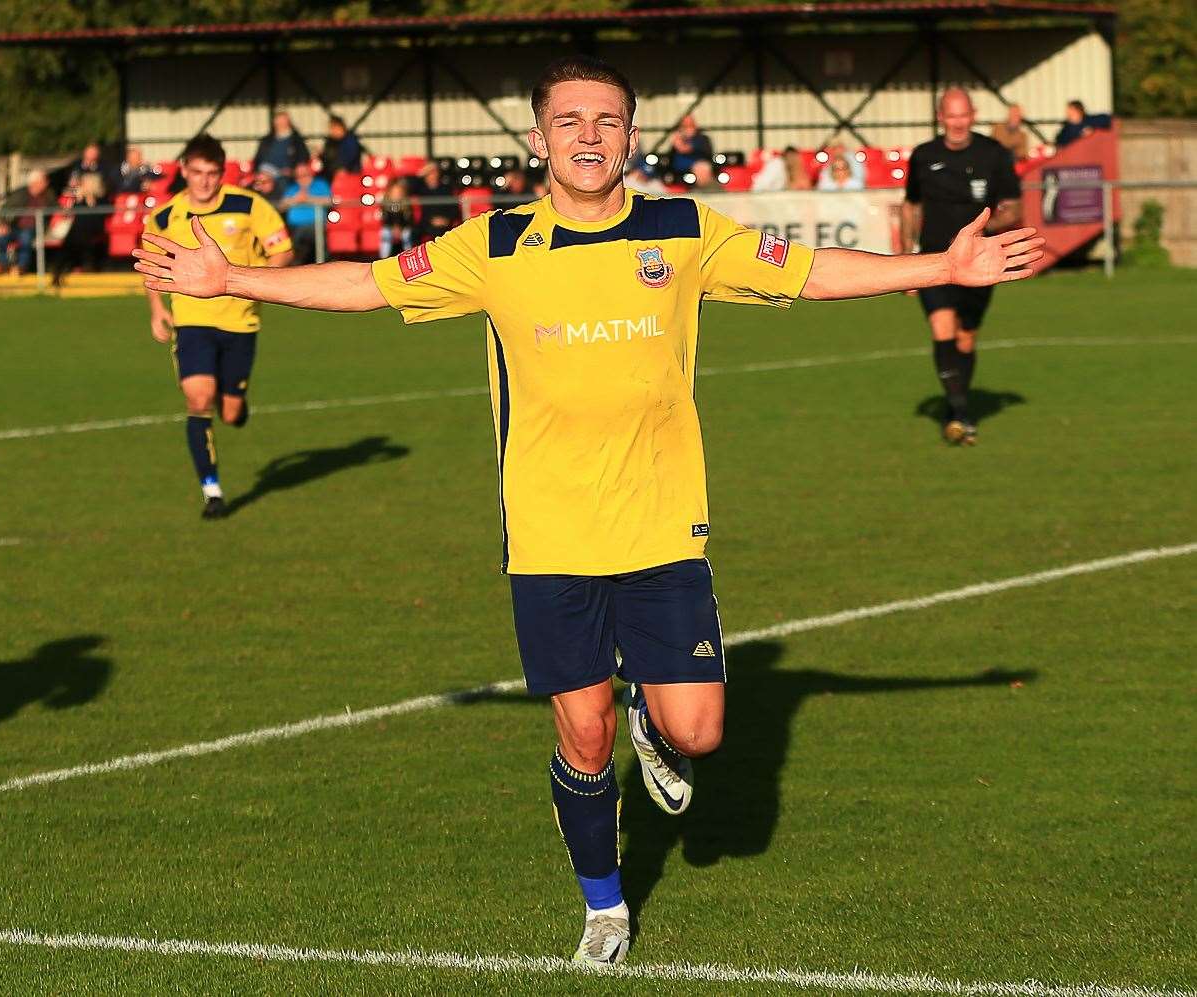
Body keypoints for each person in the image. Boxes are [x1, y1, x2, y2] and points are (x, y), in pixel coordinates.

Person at [134, 57, 1042, 962]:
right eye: (568, 121)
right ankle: (604, 906)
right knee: (582, 729)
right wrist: (234, 282)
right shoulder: (492, 245)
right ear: (538, 140)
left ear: (631, 136)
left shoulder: (681, 229)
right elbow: (367, 283)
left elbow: (810, 273)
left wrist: (943, 263)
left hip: (659, 522)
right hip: (550, 533)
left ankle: (656, 715)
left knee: (701, 727)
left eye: (606, 120)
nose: (588, 137)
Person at [139, 133, 294, 518]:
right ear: (185, 172)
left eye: (213, 173)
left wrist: (260, 284)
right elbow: (152, 267)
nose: (205, 181)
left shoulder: (248, 205)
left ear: (222, 173)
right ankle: (212, 491)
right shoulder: (164, 218)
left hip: (241, 322)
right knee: (198, 398)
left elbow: (282, 250)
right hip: (192, 320)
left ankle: (236, 404)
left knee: (230, 413)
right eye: (198, 173)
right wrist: (157, 309)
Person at [901, 88, 1024, 445]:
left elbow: (1014, 206)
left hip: (979, 263)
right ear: (941, 117)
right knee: (942, 327)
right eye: (951, 116)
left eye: (963, 115)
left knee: (966, 337)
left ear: (974, 114)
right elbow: (910, 206)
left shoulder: (993, 154)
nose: (957, 122)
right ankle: (960, 414)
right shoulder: (924, 156)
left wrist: (992, 230)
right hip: (934, 260)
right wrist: (905, 256)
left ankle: (958, 406)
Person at [0, 169, 55, 275]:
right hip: (15, 226)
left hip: (35, 228)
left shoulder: (48, 195)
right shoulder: (20, 193)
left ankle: (21, 267)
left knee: (25, 237)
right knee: (1, 237)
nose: (46, 183)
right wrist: (3, 224)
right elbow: (5, 209)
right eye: (43, 181)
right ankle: (3, 264)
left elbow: (56, 208)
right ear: (34, 183)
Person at [52, 172, 108, 285]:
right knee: (71, 241)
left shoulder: (102, 200)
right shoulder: (79, 201)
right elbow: (74, 214)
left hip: (94, 229)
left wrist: (90, 200)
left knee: (77, 239)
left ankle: (77, 267)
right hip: (78, 232)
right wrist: (79, 199)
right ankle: (57, 274)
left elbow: (98, 217)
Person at [280, 160, 332, 264]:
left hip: (317, 225)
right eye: (299, 176)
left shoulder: (320, 184)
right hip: (295, 227)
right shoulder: (292, 188)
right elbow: (281, 206)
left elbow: (329, 201)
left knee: (309, 235)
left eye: (304, 175)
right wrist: (295, 200)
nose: (302, 178)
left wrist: (308, 199)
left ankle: (321, 261)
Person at [254, 111, 310, 183]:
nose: (280, 124)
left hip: (286, 175)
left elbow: (304, 157)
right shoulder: (266, 140)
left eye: (283, 121)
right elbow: (258, 159)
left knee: (282, 183)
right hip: (265, 173)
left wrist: (292, 170)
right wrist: (259, 172)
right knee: (257, 184)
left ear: (288, 122)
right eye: (278, 121)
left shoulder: (297, 140)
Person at [409, 162, 458, 242]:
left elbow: (454, 209)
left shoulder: (446, 189)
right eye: (429, 173)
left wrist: (446, 220)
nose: (432, 175)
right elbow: (407, 186)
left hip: (444, 222)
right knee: (413, 232)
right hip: (426, 222)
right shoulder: (421, 189)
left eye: (434, 172)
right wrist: (420, 173)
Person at [377, 178, 414, 259]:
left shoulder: (406, 204)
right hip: (389, 227)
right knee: (385, 233)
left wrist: (400, 228)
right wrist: (393, 228)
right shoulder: (385, 204)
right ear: (390, 192)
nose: (397, 194)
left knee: (406, 234)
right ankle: (383, 257)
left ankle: (409, 256)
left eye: (399, 192)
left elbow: (409, 219)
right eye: (394, 192)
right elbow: (385, 219)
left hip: (403, 227)